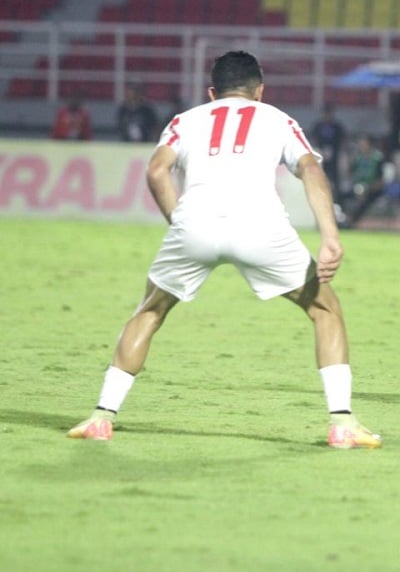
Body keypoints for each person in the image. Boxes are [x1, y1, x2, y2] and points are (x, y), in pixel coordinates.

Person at [67, 50, 381, 449]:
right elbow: (311, 169)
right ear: (260, 91)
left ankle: (101, 416)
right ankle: (342, 423)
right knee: (324, 309)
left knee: (149, 310)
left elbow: (156, 170)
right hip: (261, 226)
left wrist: (178, 221)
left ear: (212, 92)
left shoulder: (186, 119)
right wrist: (330, 235)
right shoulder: (279, 119)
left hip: (195, 222)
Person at [342, 134, 387, 229]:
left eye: (364, 144)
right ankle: (343, 218)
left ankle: (352, 221)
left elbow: (380, 180)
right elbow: (350, 173)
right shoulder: (358, 158)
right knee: (342, 196)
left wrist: (368, 188)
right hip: (358, 186)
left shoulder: (377, 158)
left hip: (373, 189)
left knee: (364, 201)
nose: (362, 147)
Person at [310, 102, 348, 195]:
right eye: (325, 113)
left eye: (329, 113)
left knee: (335, 179)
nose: (327, 115)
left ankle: (337, 198)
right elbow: (313, 140)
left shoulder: (337, 127)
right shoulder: (318, 126)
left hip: (334, 157)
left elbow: (343, 140)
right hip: (320, 156)